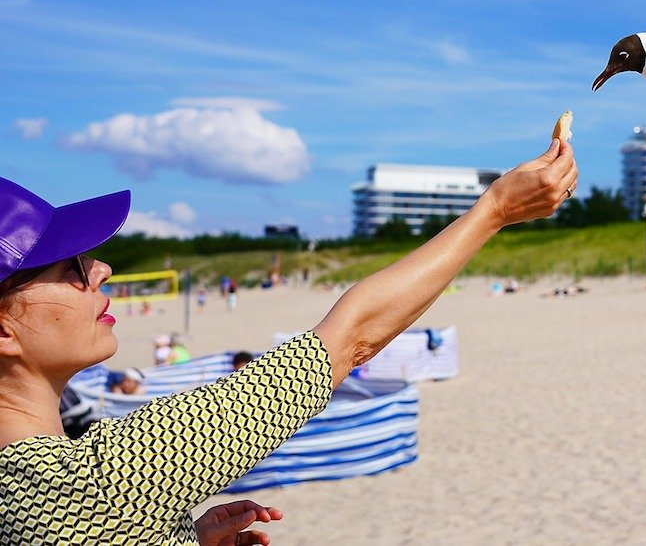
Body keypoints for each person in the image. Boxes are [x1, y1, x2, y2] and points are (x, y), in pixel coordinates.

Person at [0, 138, 576, 544]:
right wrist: (495, 210)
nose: (98, 269)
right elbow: (347, 342)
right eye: (67, 266)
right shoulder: (94, 481)